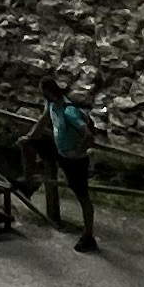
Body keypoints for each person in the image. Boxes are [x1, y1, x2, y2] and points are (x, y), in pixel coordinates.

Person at [43, 75, 100, 252]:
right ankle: (28, 180)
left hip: (75, 160)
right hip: (62, 154)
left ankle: (88, 235)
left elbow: (88, 135)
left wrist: (78, 152)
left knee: (83, 197)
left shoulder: (69, 111)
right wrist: (29, 136)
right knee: (33, 144)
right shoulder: (53, 105)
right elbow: (44, 119)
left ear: (51, 93)